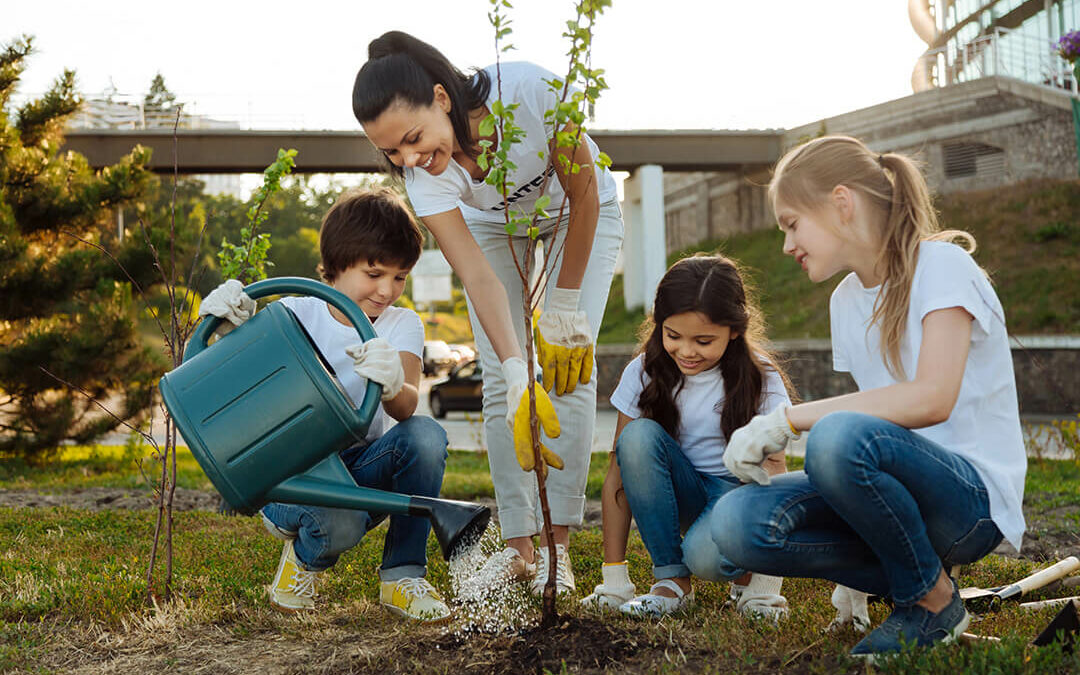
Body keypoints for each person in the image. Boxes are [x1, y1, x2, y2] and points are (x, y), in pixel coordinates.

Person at [690, 135, 1027, 659]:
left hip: (969, 503)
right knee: (736, 523)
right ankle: (900, 575)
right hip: (901, 494)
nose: (786, 245)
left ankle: (933, 601)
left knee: (836, 435)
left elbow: (931, 399)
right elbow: (878, 420)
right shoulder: (846, 301)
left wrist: (787, 420)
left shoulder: (942, 267)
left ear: (841, 204)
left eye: (791, 223)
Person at [352, 30, 624, 595]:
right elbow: (477, 276)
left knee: (570, 366)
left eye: (412, 138)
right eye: (391, 153)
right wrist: (518, 366)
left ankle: (557, 548)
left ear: (442, 99)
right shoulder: (424, 176)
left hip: (579, 213)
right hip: (492, 229)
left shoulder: (531, 91)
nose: (409, 159)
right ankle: (520, 548)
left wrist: (564, 309)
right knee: (505, 378)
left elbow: (586, 196)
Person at [199, 187, 451, 622]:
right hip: (293, 474)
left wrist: (392, 383)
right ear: (335, 265)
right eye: (374, 273)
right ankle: (303, 557)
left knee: (426, 436)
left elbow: (407, 406)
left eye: (399, 276)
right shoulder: (295, 313)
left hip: (357, 470)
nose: (387, 290)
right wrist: (228, 327)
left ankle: (402, 576)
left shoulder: (400, 324)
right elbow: (232, 386)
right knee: (339, 524)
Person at [580, 254, 792, 618]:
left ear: (735, 330)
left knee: (703, 556)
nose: (687, 351)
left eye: (704, 340)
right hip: (683, 493)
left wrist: (767, 590)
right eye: (673, 336)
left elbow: (775, 476)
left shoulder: (762, 378)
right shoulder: (644, 371)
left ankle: (747, 579)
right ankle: (671, 582)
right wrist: (614, 581)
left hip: (740, 498)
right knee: (636, 439)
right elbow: (618, 473)